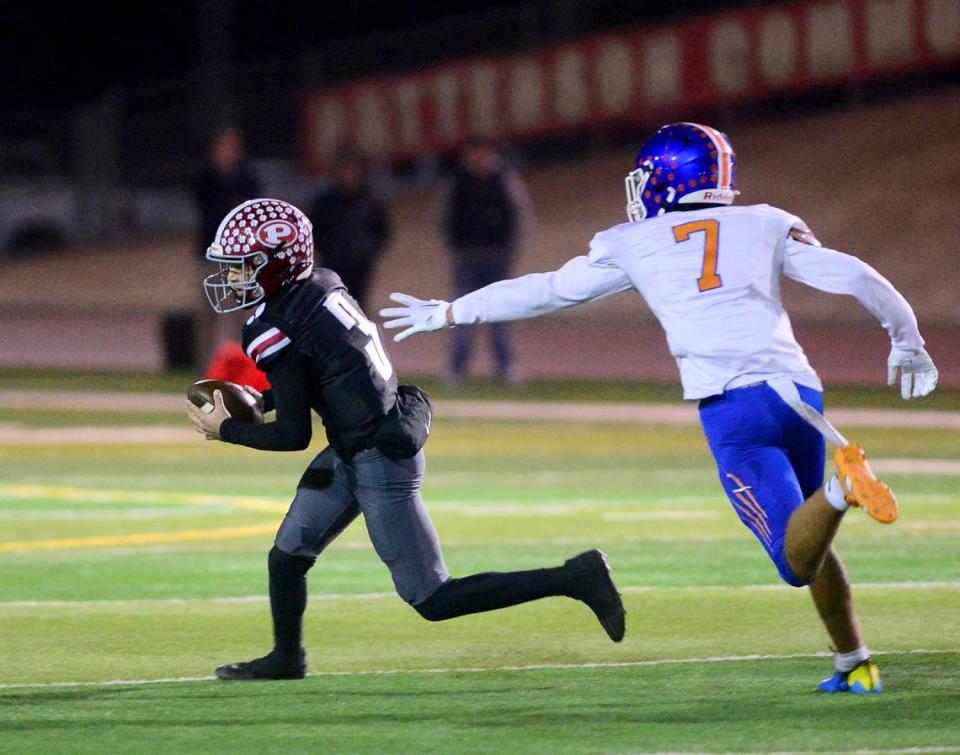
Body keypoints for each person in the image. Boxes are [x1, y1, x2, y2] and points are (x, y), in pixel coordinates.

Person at [380, 123, 940, 694]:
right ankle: (855, 661)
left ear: (665, 178)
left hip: (734, 407)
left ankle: (843, 491)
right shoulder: (767, 221)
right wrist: (907, 339)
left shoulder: (634, 241)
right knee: (811, 537)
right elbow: (855, 274)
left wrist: (453, 312)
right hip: (799, 392)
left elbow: (544, 289)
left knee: (794, 562)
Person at [186, 198, 625, 681]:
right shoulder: (320, 285)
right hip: (359, 441)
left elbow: (294, 435)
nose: (234, 278)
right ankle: (287, 657)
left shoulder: (276, 326)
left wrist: (225, 429)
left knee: (433, 598)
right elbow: (325, 373)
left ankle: (575, 576)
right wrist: (263, 397)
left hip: (378, 458)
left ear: (280, 263)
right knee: (287, 557)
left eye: (246, 265)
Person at [440, 137, 531, 383]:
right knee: (461, 315)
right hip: (467, 257)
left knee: (499, 316)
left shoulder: (502, 179)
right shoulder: (459, 181)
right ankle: (456, 369)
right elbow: (446, 217)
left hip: (496, 257)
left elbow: (517, 217)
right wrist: (455, 245)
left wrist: (509, 250)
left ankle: (506, 367)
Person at [192, 126, 261, 367]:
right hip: (211, 251)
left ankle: (238, 364)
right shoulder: (205, 178)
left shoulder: (247, 178)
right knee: (207, 313)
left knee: (239, 314)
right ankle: (205, 366)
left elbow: (250, 212)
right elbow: (209, 211)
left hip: (239, 255)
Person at [308, 152, 391, 311]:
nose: (348, 176)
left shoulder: (370, 200)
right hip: (332, 263)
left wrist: (369, 250)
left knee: (359, 306)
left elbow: (382, 230)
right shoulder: (324, 202)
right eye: (343, 171)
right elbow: (314, 230)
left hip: (361, 264)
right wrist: (326, 250)